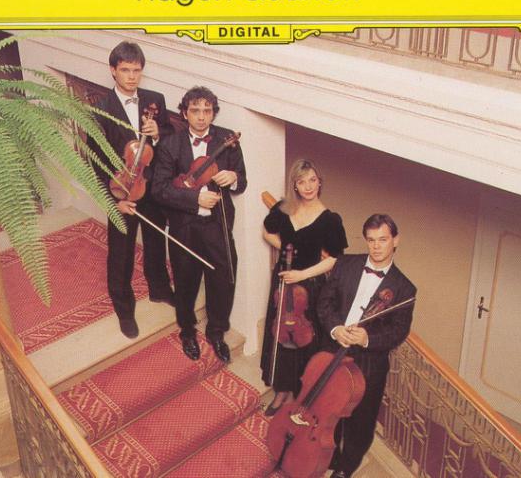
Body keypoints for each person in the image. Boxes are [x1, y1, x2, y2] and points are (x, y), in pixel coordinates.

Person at [151, 86, 247, 362]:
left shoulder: (228, 140)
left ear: (214, 113)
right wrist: (195, 199)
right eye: (195, 110)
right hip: (184, 227)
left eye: (207, 111)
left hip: (218, 225)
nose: (202, 116)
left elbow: (242, 180)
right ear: (185, 113)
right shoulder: (170, 144)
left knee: (224, 280)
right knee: (185, 282)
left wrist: (234, 178)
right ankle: (187, 331)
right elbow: (159, 189)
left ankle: (216, 332)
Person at [317, 214, 416, 478]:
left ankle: (346, 466)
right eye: (371, 240)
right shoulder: (345, 264)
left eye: (383, 239)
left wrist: (367, 339)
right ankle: (327, 454)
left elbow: (398, 332)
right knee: (328, 407)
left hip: (368, 363)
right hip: (332, 349)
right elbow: (324, 303)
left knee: (360, 420)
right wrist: (336, 329)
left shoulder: (405, 289)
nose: (376, 246)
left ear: (395, 240)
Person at [89, 41, 174, 339]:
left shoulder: (155, 100)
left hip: (151, 185)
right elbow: (96, 160)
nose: (131, 76)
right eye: (125, 70)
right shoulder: (100, 109)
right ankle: (123, 306)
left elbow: (171, 138)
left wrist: (159, 133)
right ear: (113, 70)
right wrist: (114, 201)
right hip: (121, 190)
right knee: (121, 251)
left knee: (155, 240)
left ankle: (159, 288)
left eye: (136, 70)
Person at [260, 159, 348, 415]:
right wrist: (287, 252)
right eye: (302, 181)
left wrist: (302, 273)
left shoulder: (330, 219)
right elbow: (267, 232)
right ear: (295, 185)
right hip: (283, 281)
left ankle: (298, 394)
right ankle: (281, 391)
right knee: (280, 335)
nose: (308, 186)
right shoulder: (284, 207)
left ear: (320, 183)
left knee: (301, 339)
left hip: (308, 286)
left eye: (312, 180)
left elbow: (335, 258)